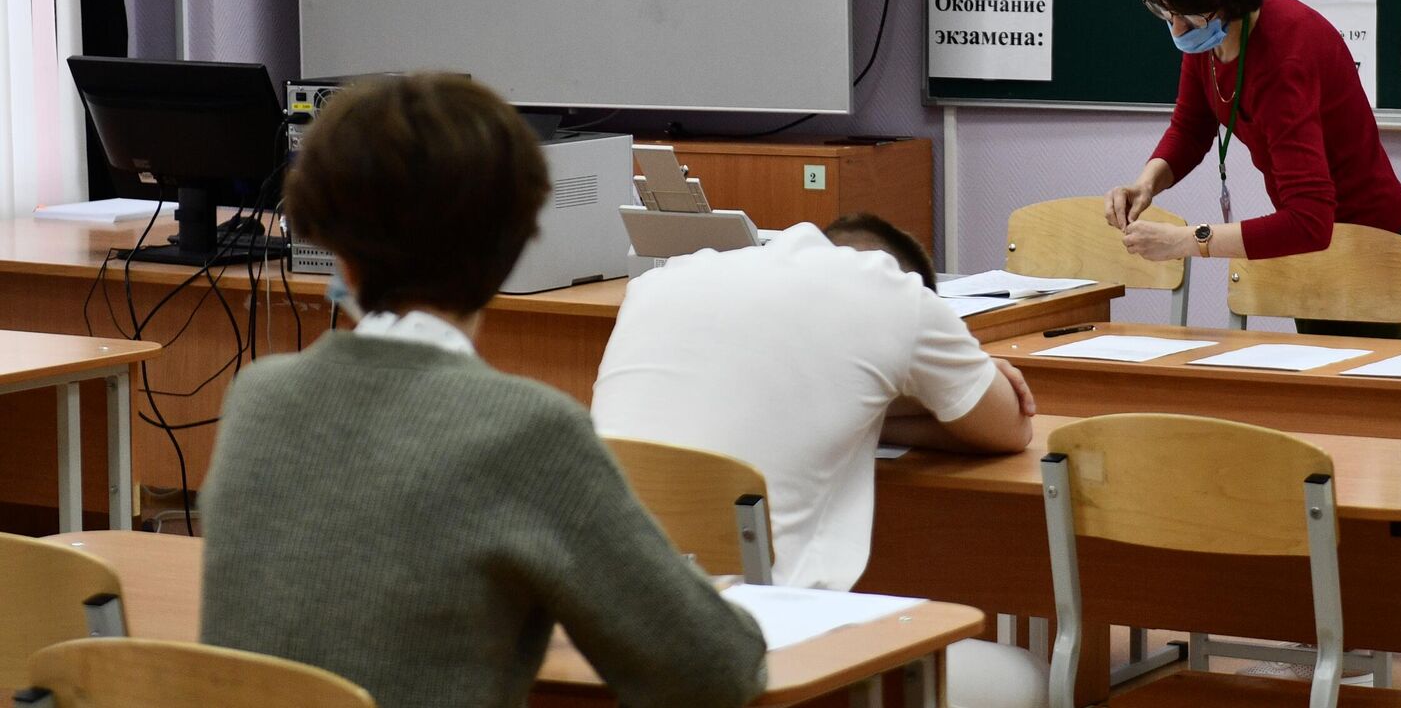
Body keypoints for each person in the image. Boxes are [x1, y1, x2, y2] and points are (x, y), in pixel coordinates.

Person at [200, 73, 766, 708]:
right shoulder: (526, 431)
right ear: (513, 245)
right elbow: (713, 671)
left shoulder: (260, 398)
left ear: (333, 246)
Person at [592, 212, 1046, 708]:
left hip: (600, 633)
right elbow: (1010, 427)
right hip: (758, 654)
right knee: (1024, 675)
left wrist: (868, 410)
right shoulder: (897, 295)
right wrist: (904, 403)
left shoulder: (661, 282)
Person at [1106, 0, 1401, 338]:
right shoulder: (1209, 35)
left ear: (1228, 1)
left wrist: (1184, 242)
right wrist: (1145, 184)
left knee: (1353, 403)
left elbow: (1309, 220)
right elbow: (1191, 127)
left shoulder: (1284, 60)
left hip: (1372, 241)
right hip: (1315, 242)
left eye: (1187, 14)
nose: (1176, 28)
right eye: (1165, 11)